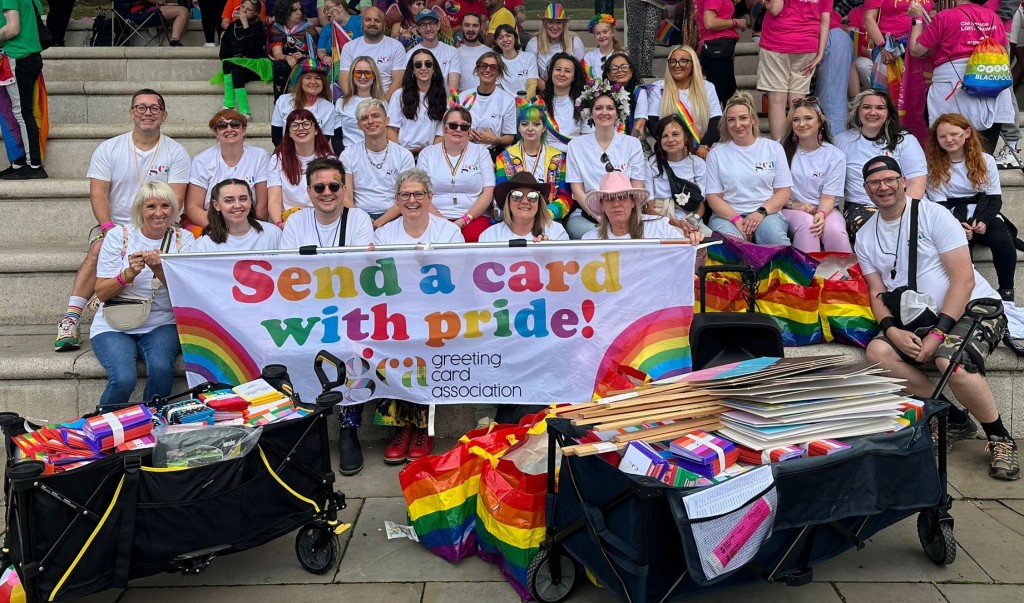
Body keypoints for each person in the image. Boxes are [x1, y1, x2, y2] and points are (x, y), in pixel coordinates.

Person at [855, 155, 1017, 481]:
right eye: (875, 183)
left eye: (889, 179)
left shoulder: (934, 215)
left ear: (903, 182)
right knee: (878, 351)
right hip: (917, 317)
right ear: (866, 190)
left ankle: (999, 436)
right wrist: (891, 330)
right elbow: (876, 291)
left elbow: (963, 280)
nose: (883, 187)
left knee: (949, 361)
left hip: (975, 308)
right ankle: (951, 417)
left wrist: (940, 334)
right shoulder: (865, 235)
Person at [56, 90, 191, 352]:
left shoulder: (176, 152)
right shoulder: (109, 148)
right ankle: (71, 316)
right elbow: (98, 193)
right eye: (141, 107)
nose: (147, 113)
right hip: (116, 223)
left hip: (159, 223)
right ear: (131, 113)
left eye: (154, 108)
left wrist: (156, 225)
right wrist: (107, 227)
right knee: (98, 247)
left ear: (164, 115)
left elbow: (175, 199)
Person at [369, 168, 463, 466]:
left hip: (436, 312)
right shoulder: (383, 234)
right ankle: (400, 427)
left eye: (418, 194)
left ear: (430, 197)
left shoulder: (448, 232)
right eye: (405, 195)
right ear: (396, 199)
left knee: (427, 342)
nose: (412, 200)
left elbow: (459, 276)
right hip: (396, 313)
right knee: (389, 341)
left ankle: (422, 427)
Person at [91, 181, 194, 412]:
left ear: (174, 209)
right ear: (140, 209)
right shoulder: (120, 236)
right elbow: (101, 292)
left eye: (165, 205)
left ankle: (150, 424)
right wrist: (127, 274)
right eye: (151, 206)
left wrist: (159, 270)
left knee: (160, 369)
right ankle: (101, 428)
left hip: (162, 322)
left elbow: (187, 295)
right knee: (124, 378)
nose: (159, 213)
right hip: (114, 322)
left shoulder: (183, 239)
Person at [925, 113, 1017, 302]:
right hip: (950, 214)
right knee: (959, 248)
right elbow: (939, 204)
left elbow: (994, 198)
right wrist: (958, 225)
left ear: (967, 133)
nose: (948, 139)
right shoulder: (933, 165)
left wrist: (983, 220)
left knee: (1002, 240)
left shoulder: (985, 160)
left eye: (954, 134)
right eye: (942, 136)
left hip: (983, 210)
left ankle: (1006, 290)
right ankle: (971, 293)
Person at [908, 0, 1014, 154]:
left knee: (947, 155)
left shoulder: (945, 16)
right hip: (992, 85)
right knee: (984, 155)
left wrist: (917, 19)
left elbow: (916, 50)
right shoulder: (993, 16)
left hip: (952, 87)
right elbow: (1004, 50)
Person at [833, 89, 927, 238]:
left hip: (904, 204)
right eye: (866, 107)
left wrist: (901, 213)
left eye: (880, 108)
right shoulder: (841, 141)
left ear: (889, 112)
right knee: (878, 229)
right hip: (861, 206)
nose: (872, 112)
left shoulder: (906, 140)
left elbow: (917, 183)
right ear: (857, 110)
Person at [704, 91, 793, 245]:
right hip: (727, 216)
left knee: (775, 240)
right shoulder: (716, 153)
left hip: (767, 214)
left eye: (743, 118)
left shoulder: (773, 148)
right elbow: (713, 197)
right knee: (732, 245)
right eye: (731, 120)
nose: (738, 125)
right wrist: (737, 220)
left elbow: (784, 191)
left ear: (753, 119)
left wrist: (760, 213)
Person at [566, 81, 645, 239]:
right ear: (590, 112)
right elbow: (577, 190)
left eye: (610, 108)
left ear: (618, 112)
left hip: (626, 215)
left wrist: (623, 220)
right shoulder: (575, 145)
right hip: (589, 216)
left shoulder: (632, 144)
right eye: (598, 108)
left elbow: (637, 185)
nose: (604, 112)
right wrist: (600, 218)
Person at [779, 98, 850, 253]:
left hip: (825, 208)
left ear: (820, 121)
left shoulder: (835, 155)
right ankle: (806, 276)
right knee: (808, 225)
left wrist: (822, 214)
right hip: (789, 207)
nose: (801, 124)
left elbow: (828, 198)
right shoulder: (779, 149)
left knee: (835, 230)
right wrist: (793, 205)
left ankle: (842, 275)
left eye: (808, 118)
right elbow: (770, 188)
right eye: (796, 120)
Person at [415, 106, 496, 242]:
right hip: (434, 215)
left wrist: (465, 219)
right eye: (453, 125)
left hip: (473, 216)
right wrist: (441, 221)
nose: (458, 130)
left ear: (469, 131)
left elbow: (488, 191)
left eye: (464, 127)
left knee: (478, 238)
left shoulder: (481, 152)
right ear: (444, 128)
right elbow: (420, 192)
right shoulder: (427, 153)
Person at [184, 110, 271, 235]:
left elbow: (262, 205)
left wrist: (244, 230)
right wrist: (222, 229)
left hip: (249, 223)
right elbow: (193, 207)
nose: (229, 129)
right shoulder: (202, 160)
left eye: (235, 124)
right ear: (216, 133)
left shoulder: (260, 156)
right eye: (222, 126)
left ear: (244, 130)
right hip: (212, 223)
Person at [863, 0, 934, 141]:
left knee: (917, 99)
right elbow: (869, 19)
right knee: (887, 99)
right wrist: (883, 47)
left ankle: (917, 141)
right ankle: (886, 140)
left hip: (920, 49)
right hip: (891, 47)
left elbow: (930, 14)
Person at [494, 98, 572, 224]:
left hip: (548, 219)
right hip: (514, 219)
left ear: (544, 128)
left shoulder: (558, 158)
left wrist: (548, 212)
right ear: (518, 128)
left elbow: (565, 196)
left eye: (536, 124)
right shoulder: (504, 158)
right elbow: (501, 193)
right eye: (524, 124)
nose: (530, 129)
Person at [340, 98, 416, 226]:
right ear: (358, 125)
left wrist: (380, 222)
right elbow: (345, 196)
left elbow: (406, 195)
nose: (370, 121)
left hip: (396, 216)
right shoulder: (348, 155)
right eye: (364, 118)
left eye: (376, 116)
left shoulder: (403, 155)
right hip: (358, 216)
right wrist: (361, 219)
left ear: (387, 120)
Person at [279, 155, 374, 248]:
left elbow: (360, 262)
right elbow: (288, 263)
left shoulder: (359, 220)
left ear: (344, 189)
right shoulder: (295, 222)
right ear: (309, 191)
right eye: (319, 187)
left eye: (334, 186)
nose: (327, 193)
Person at [0, 0, 48, 180]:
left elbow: (12, 28)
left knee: (22, 112)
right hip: (30, 56)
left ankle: (34, 164)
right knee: (18, 111)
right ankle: (20, 160)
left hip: (18, 56)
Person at [647, 46, 722, 158]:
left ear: (693, 64)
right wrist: (672, 143)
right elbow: (652, 121)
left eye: (683, 61)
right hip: (669, 151)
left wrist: (704, 145)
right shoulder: (659, 88)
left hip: (701, 152)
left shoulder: (707, 87)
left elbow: (716, 120)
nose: (677, 65)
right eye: (673, 61)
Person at [644, 115, 711, 237]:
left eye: (675, 134)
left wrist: (692, 221)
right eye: (665, 136)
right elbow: (648, 208)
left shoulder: (697, 164)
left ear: (685, 136)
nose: (670, 140)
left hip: (691, 219)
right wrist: (675, 222)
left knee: (709, 239)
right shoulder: (650, 165)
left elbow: (701, 202)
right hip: (661, 219)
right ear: (659, 140)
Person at [268, 108, 336, 225]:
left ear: (316, 130)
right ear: (289, 133)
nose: (300, 128)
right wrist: (279, 224)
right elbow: (274, 199)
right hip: (290, 220)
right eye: (294, 125)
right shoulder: (277, 160)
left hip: (323, 219)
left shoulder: (330, 161)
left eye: (306, 124)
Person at [581, 171, 692, 241]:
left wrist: (698, 251)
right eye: (609, 199)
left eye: (622, 197)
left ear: (633, 202)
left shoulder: (659, 227)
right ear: (602, 206)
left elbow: (688, 261)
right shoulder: (589, 240)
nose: (616, 204)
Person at [271, 61, 343, 153]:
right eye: (308, 77)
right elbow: (276, 136)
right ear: (299, 81)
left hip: (314, 156)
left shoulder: (328, 108)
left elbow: (324, 140)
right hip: (286, 153)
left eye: (318, 78)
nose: (313, 82)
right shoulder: (283, 101)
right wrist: (290, 155)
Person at [192, 178, 281, 252]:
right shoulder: (202, 246)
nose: (238, 205)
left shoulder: (273, 234)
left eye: (243, 199)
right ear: (216, 205)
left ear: (250, 201)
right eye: (229, 200)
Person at [387, 49, 446, 157]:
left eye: (428, 64)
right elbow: (391, 129)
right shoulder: (399, 95)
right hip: (403, 155)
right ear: (412, 70)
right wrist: (400, 155)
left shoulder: (443, 97)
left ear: (434, 69)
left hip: (430, 156)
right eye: (418, 65)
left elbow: (441, 134)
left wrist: (428, 154)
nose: (423, 68)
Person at [481, 170, 568, 242]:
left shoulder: (557, 232)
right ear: (508, 201)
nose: (525, 201)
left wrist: (550, 252)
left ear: (539, 203)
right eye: (517, 195)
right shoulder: (490, 237)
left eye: (532, 196)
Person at [339, 7, 406, 99]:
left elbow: (398, 81)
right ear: (362, 23)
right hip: (357, 101)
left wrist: (382, 104)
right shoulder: (349, 47)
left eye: (377, 20)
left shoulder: (396, 46)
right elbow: (344, 79)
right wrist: (354, 103)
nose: (372, 23)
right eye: (368, 20)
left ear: (384, 25)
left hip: (387, 100)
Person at [459, 52, 517, 154]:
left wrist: (496, 140)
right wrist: (465, 133)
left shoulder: (508, 100)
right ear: (477, 70)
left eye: (493, 67)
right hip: (464, 150)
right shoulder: (463, 97)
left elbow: (510, 137)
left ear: (499, 73)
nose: (488, 70)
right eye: (483, 66)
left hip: (492, 152)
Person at [219, 0, 267, 120]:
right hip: (237, 65)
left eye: (249, 9)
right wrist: (236, 57)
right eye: (242, 7)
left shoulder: (258, 26)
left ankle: (229, 103)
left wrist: (246, 25)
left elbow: (254, 49)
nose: (244, 11)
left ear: (256, 13)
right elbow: (224, 52)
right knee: (232, 68)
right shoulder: (233, 26)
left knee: (232, 66)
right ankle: (243, 110)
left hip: (255, 64)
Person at [695, 0, 746, 105]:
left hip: (718, 47)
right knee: (725, 99)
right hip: (717, 47)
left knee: (728, 97)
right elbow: (710, 22)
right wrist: (736, 22)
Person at [539, 53, 590, 153]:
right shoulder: (538, 103)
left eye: (567, 71)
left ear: (573, 77)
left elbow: (587, 138)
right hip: (546, 158)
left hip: (574, 156)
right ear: (551, 73)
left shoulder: (583, 103)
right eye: (558, 69)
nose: (561, 74)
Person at [268, 0, 317, 101]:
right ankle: (279, 102)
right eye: (294, 10)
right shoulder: (277, 28)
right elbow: (277, 54)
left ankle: (306, 102)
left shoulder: (308, 27)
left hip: (303, 59)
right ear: (284, 12)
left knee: (304, 63)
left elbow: (315, 52)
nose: (299, 13)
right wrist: (287, 57)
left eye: (300, 9)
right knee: (280, 65)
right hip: (286, 60)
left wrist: (305, 56)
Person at [526, 3, 585, 86]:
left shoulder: (575, 42)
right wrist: (549, 93)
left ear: (564, 25)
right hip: (545, 89)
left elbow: (580, 72)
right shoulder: (534, 43)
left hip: (570, 89)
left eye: (559, 22)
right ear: (545, 24)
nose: (554, 27)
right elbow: (532, 75)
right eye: (550, 22)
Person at [336, 56, 385, 150]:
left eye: (367, 73)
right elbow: (336, 137)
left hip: (376, 155)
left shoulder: (382, 103)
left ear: (374, 76)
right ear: (352, 75)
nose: (363, 77)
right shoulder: (341, 102)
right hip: (348, 156)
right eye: (358, 73)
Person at [405, 9, 461, 90]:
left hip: (444, 101)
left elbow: (453, 87)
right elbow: (409, 84)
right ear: (418, 29)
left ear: (438, 25)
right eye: (423, 25)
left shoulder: (451, 51)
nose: (428, 28)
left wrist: (448, 102)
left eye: (431, 23)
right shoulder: (411, 54)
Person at [316, 0, 364, 92]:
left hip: (357, 62)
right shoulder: (327, 28)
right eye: (325, 10)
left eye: (328, 8)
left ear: (340, 7)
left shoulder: (358, 22)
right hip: (335, 65)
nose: (326, 13)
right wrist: (325, 57)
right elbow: (320, 50)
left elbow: (366, 44)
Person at [602, 53, 648, 143]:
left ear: (631, 72)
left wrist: (627, 149)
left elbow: (639, 125)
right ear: (608, 74)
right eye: (614, 68)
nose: (620, 71)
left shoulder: (639, 92)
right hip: (606, 143)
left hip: (633, 145)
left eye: (624, 67)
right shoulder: (602, 94)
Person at [116, 0, 189, 46]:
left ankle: (176, 40)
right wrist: (164, 4)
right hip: (141, 14)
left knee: (184, 11)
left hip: (146, 11)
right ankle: (175, 41)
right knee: (182, 11)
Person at [493, 23, 537, 98]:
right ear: (497, 42)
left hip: (527, 105)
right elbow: (498, 88)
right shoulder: (496, 61)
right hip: (507, 106)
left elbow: (532, 85)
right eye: (500, 38)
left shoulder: (529, 57)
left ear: (515, 37)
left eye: (508, 36)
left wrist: (523, 103)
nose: (505, 40)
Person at [623, 0, 662, 78]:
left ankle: (646, 73)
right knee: (635, 37)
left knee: (650, 38)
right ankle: (634, 73)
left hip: (656, 2)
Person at [581, 14, 624, 80]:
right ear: (594, 36)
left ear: (612, 32)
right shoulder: (589, 57)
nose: (601, 36)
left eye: (605, 31)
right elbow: (588, 80)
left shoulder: (622, 55)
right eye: (597, 33)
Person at [456, 13, 490, 91]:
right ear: (461, 27)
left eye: (475, 25)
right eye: (467, 25)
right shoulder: (454, 53)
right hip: (462, 101)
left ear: (481, 27)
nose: (471, 29)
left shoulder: (489, 53)